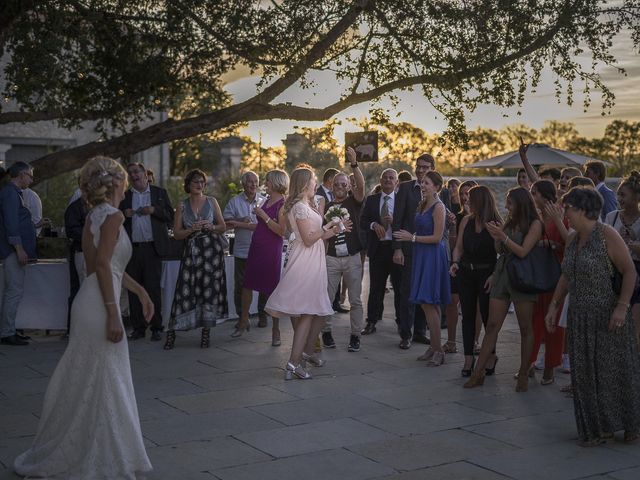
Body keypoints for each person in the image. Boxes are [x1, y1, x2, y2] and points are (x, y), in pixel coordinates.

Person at [14, 156, 153, 478]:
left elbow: (105, 268)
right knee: (106, 379)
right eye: (124, 178)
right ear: (117, 182)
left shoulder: (94, 215)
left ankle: (90, 446)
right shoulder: (115, 216)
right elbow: (103, 266)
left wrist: (140, 292)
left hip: (88, 300)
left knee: (94, 378)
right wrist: (113, 313)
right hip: (99, 306)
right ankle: (100, 454)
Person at [545, 186, 640, 446]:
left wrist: (622, 307)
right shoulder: (574, 238)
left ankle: (629, 424)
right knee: (586, 374)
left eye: (568, 208)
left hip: (608, 315)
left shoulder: (606, 235)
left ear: (584, 210)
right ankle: (596, 428)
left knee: (614, 371)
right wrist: (554, 305)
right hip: (580, 317)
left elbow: (630, 271)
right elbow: (566, 274)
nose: (565, 212)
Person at [265, 167, 347, 380]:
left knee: (319, 311)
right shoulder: (299, 208)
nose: (315, 183)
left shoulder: (307, 206)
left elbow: (318, 235)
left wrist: (336, 228)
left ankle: (304, 354)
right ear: (304, 184)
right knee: (309, 312)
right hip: (305, 261)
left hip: (314, 259)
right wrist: (329, 224)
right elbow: (309, 239)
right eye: (313, 180)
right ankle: (293, 362)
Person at [465, 187, 543, 391]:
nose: (507, 206)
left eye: (510, 202)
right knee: (492, 326)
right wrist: (497, 239)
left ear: (521, 203)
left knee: (525, 327)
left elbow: (524, 252)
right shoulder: (509, 221)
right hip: (502, 275)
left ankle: (524, 373)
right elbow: (502, 251)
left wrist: (503, 236)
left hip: (523, 278)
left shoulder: (535, 224)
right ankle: (478, 372)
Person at [164, 169, 228, 350]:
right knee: (184, 290)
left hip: (211, 253)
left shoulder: (212, 201)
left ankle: (206, 333)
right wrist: (192, 229)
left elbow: (222, 226)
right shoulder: (182, 205)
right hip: (191, 252)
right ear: (188, 185)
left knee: (209, 291)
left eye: (202, 182)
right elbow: (176, 234)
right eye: (195, 182)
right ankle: (172, 332)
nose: (199, 185)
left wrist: (211, 226)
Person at [394, 171, 451, 365]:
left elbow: (437, 237)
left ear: (436, 187)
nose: (423, 185)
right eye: (422, 182)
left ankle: (439, 351)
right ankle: (433, 347)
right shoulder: (422, 203)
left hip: (433, 257)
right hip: (420, 255)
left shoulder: (439, 207)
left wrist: (412, 238)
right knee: (426, 304)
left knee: (431, 303)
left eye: (427, 183)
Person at [233, 169, 289, 346]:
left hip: (271, 249)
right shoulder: (265, 199)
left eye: (268, 180)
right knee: (247, 284)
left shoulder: (283, 204)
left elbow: (282, 231)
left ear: (276, 182)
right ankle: (243, 321)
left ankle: (275, 329)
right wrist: (242, 223)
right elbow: (259, 225)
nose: (265, 183)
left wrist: (263, 216)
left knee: (272, 288)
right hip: (256, 246)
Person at [450, 185, 501, 376]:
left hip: (487, 275)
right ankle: (468, 358)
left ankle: (491, 355)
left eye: (470, 198)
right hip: (466, 273)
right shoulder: (466, 221)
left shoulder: (496, 223)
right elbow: (459, 247)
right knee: (468, 317)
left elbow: (503, 254)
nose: (466, 201)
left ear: (480, 201)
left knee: (488, 318)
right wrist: (455, 262)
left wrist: (494, 275)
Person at [120, 162, 174, 341]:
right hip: (132, 249)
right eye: (131, 173)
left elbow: (170, 217)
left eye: (137, 172)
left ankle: (157, 327)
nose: (134, 175)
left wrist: (154, 210)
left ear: (145, 173)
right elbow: (114, 217)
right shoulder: (125, 196)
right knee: (134, 290)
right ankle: (138, 328)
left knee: (153, 289)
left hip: (152, 248)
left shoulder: (159, 193)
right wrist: (124, 215)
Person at [321, 148, 366, 352]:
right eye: (336, 184)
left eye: (343, 184)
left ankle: (356, 335)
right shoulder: (326, 206)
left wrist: (354, 164)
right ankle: (326, 332)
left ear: (348, 186)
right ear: (331, 186)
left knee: (355, 300)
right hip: (330, 259)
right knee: (327, 298)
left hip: (352, 258)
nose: (339, 187)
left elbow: (362, 185)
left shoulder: (353, 202)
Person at [392, 154, 435, 349]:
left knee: (424, 293)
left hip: (430, 250)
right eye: (418, 166)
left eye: (425, 167)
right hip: (408, 250)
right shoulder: (406, 189)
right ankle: (405, 334)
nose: (420, 170)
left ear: (432, 168)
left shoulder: (437, 190)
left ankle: (420, 332)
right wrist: (398, 248)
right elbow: (397, 220)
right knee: (407, 292)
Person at [529, 180, 568, 385]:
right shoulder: (533, 215)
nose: (532, 197)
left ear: (545, 196)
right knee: (533, 320)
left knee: (553, 324)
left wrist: (550, 244)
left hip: (556, 275)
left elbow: (569, 243)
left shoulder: (559, 214)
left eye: (534, 193)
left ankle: (551, 368)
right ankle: (529, 362)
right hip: (535, 275)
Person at [223, 171, 268, 325]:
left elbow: (268, 225)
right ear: (243, 184)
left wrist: (244, 224)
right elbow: (225, 223)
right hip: (242, 250)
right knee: (241, 285)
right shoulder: (234, 202)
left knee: (263, 284)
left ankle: (262, 314)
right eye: (250, 182)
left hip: (262, 250)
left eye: (256, 181)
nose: (253, 184)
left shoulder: (264, 201)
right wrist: (239, 220)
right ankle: (243, 316)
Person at [360, 168, 401, 335]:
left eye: (392, 178)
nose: (388, 180)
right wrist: (373, 224)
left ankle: (402, 323)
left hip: (397, 249)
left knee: (399, 288)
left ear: (397, 182)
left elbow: (409, 222)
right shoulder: (371, 200)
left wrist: (395, 220)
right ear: (381, 180)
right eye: (385, 177)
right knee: (376, 288)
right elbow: (363, 221)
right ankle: (371, 322)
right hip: (378, 249)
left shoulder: (401, 200)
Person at [0, 162, 37, 346]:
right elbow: (11, 223)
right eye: (30, 175)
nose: (31, 179)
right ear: (21, 175)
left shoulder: (13, 193)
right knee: (13, 291)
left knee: (12, 291)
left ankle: (9, 330)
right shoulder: (10, 193)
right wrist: (19, 248)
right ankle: (7, 332)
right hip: (12, 251)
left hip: (14, 249)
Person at [605, 171, 640, 346]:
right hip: (615, 274)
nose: (619, 198)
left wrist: (633, 246)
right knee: (614, 324)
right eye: (618, 193)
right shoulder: (612, 217)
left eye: (623, 195)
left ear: (636, 197)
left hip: (637, 273)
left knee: (634, 327)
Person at [64, 195, 89, 333]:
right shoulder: (75, 208)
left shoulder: (99, 206)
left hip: (92, 252)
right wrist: (91, 236)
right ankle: (74, 328)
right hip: (81, 252)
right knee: (79, 291)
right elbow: (72, 231)